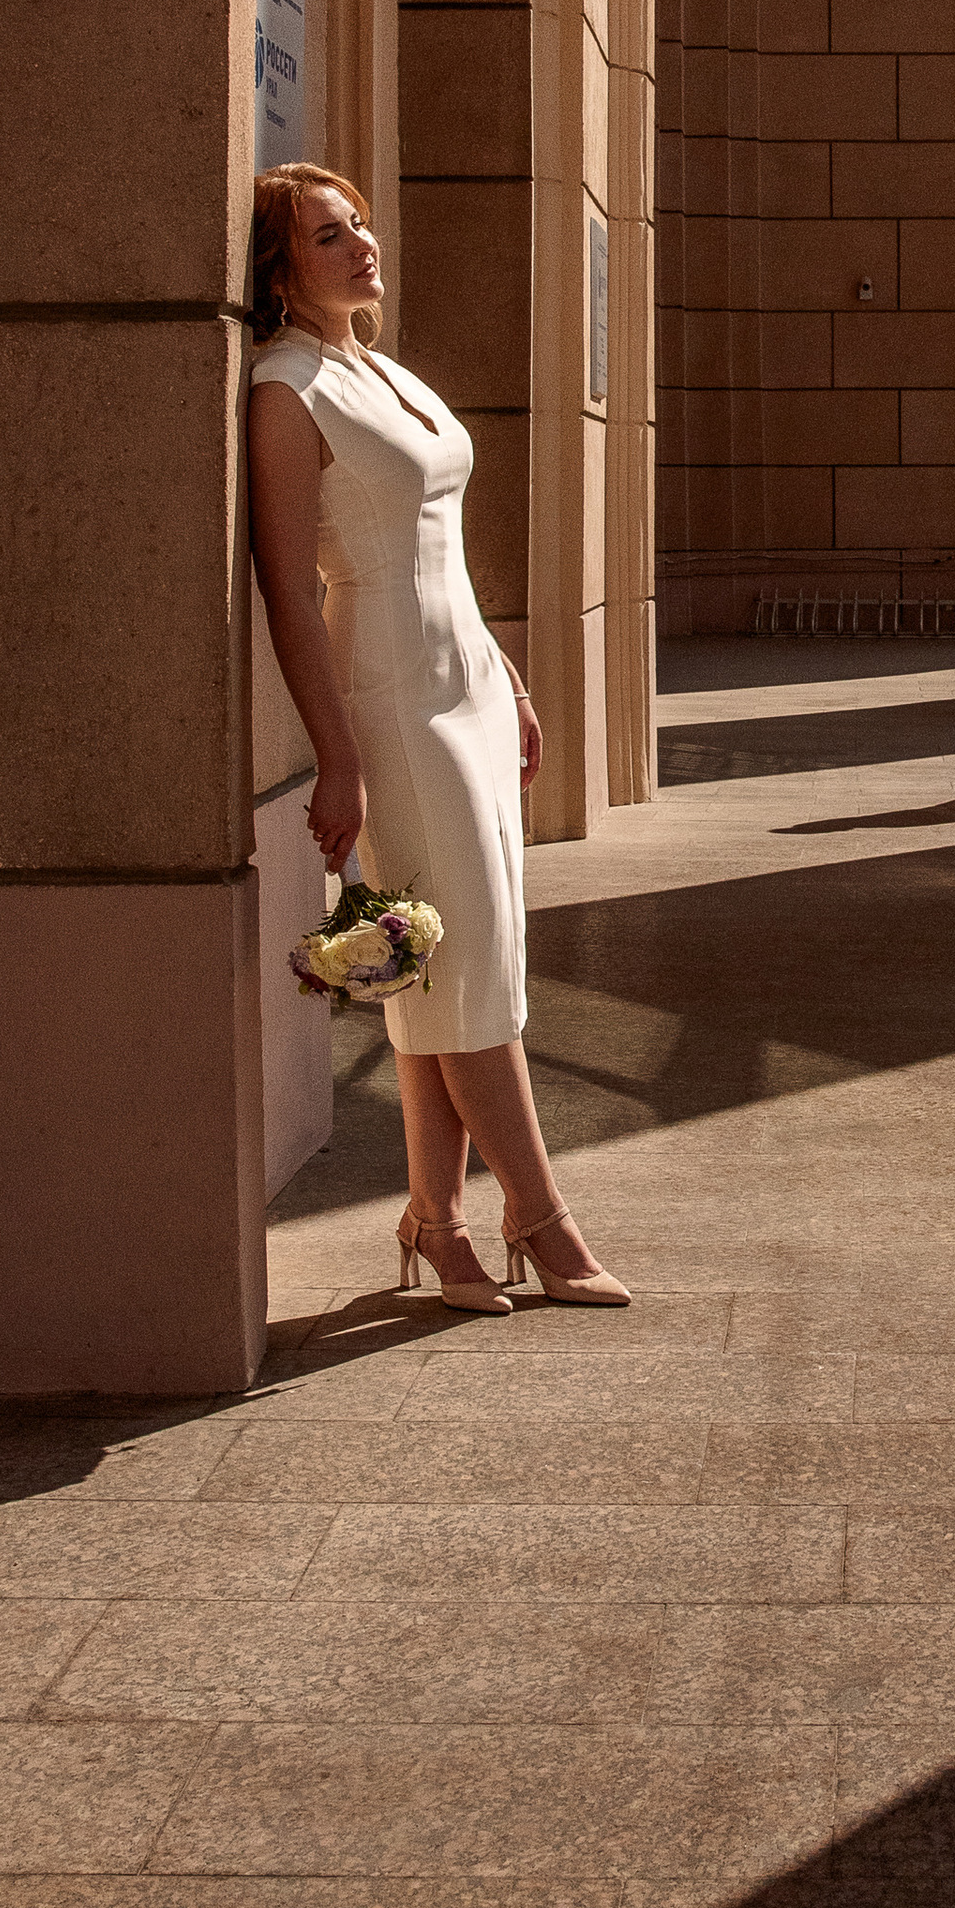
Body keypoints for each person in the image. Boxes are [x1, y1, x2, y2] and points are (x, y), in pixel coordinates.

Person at [246, 164, 628, 1313]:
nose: (362, 244)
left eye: (358, 223)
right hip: (391, 700)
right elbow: (285, 588)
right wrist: (339, 754)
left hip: (464, 683)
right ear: (279, 267)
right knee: (466, 968)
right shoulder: (285, 389)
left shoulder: (380, 369)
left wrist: (506, 671)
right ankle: (541, 1217)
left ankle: (437, 1219)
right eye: (328, 234)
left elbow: (440, 552)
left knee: (448, 960)